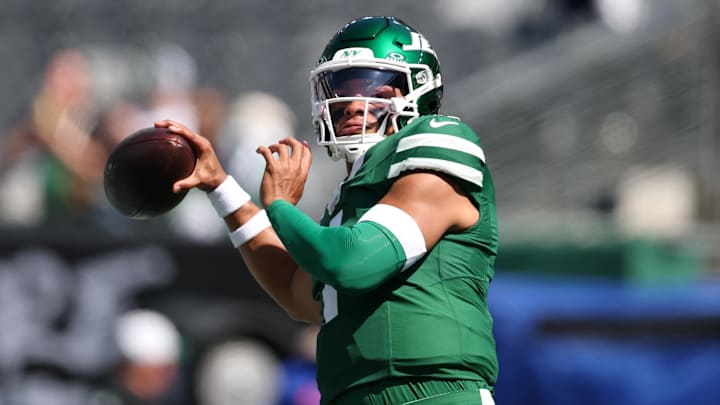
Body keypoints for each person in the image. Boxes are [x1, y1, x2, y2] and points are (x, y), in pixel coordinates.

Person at [157, 16, 499, 405]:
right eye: (340, 85)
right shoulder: (350, 200)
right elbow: (296, 293)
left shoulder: (438, 145)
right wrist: (222, 188)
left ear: (416, 88)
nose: (352, 100)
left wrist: (280, 205)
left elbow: (352, 262)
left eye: (371, 82)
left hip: (433, 397)